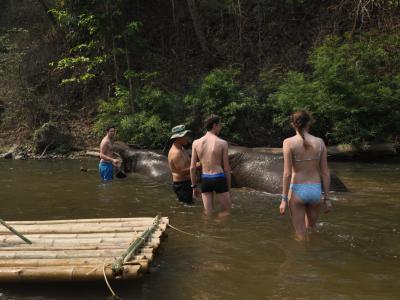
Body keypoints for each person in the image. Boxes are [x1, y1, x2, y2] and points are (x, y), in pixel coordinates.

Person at [280, 110, 332, 241]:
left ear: (293, 124)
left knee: (300, 234)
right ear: (309, 122)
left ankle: (301, 260)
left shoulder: (288, 142)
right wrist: (327, 199)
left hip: (297, 190)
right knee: (311, 231)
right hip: (315, 191)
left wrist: (283, 199)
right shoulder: (320, 142)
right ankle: (313, 259)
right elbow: (325, 172)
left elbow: (287, 173)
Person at [190, 115, 232, 217]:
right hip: (218, 177)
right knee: (226, 210)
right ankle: (218, 225)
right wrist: (228, 188)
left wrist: (194, 186)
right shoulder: (222, 143)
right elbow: (226, 169)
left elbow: (192, 167)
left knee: (207, 212)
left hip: (205, 179)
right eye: (220, 125)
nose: (220, 128)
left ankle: (207, 230)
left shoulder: (196, 143)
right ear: (215, 125)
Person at [168, 124, 196, 204]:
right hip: (182, 185)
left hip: (187, 183)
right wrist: (199, 166)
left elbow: (189, 163)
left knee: (188, 206)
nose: (187, 138)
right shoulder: (176, 153)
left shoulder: (182, 149)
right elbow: (182, 172)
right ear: (179, 138)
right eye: (185, 136)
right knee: (187, 209)